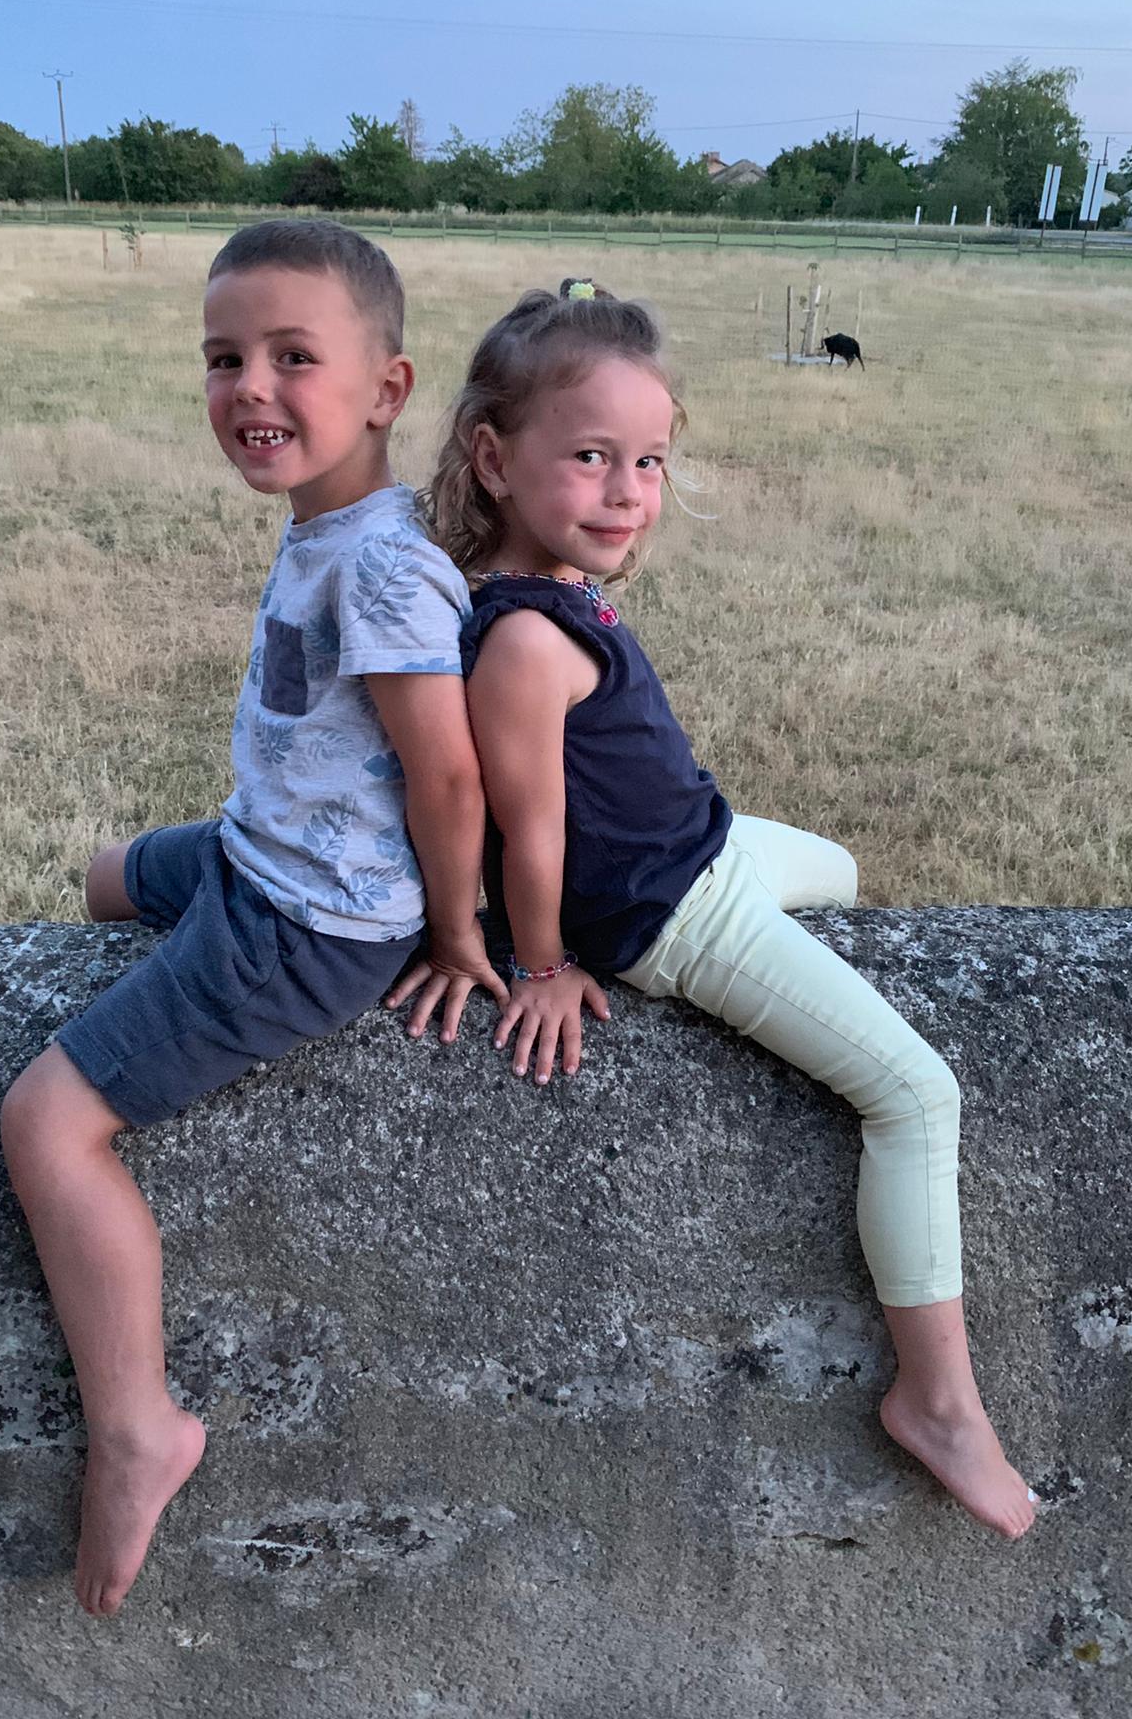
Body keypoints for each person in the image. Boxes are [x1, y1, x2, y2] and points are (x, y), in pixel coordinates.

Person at [423, 277, 1038, 1541]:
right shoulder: (523, 641)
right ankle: (938, 1402)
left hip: (711, 845)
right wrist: (541, 963)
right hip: (681, 916)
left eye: (648, 460)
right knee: (917, 1094)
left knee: (842, 869)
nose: (627, 491)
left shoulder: (552, 585)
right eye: (590, 457)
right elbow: (525, 831)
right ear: (492, 459)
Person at [0, 220, 506, 1618]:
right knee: (105, 876)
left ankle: (138, 1429)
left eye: (294, 357)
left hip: (307, 926)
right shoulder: (330, 530)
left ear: (387, 391)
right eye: (226, 358)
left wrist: (453, 933)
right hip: (255, 854)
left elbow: (449, 775)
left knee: (45, 1124)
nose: (251, 388)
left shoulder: (384, 567)